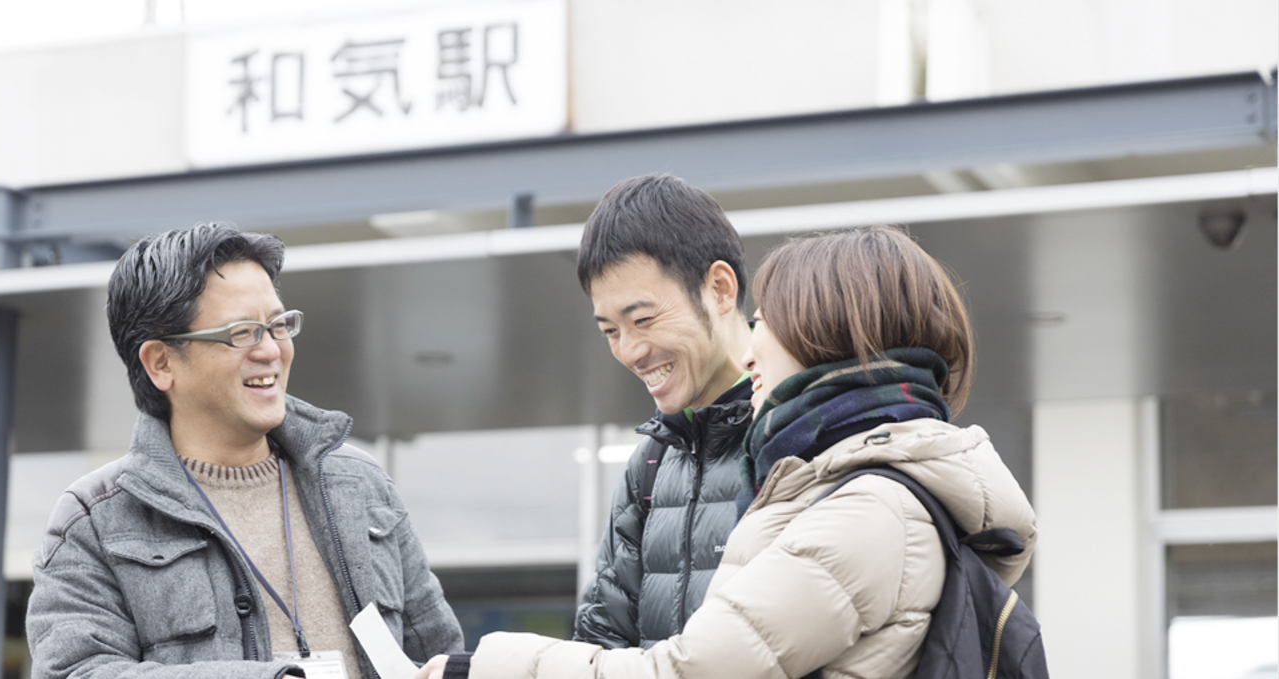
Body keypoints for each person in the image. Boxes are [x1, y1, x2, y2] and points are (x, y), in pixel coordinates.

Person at [418, 225, 1037, 679]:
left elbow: (690, 671)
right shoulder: (832, 482)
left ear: (827, 334)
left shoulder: (871, 508)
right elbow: (610, 635)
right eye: (610, 330)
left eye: (766, 322)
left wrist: (486, 665)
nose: (749, 351)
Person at [28, 223, 463, 679]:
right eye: (242, 332)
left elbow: (438, 654)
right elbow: (76, 673)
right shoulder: (94, 519)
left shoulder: (361, 486)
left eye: (278, 325)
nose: (272, 350)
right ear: (161, 362)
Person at [573, 174, 755, 649]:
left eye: (643, 320)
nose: (630, 352)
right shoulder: (650, 465)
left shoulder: (801, 436)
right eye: (610, 331)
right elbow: (599, 644)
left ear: (719, 289)